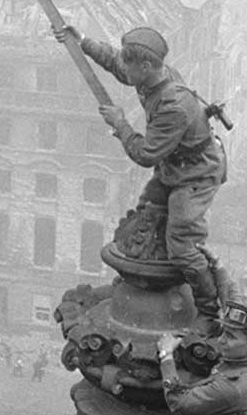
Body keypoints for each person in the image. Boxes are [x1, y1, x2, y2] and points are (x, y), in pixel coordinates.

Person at [53, 22, 226, 331]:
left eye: (131, 66)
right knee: (145, 214)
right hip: (176, 167)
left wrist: (121, 124)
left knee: (182, 244)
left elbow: (145, 155)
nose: (126, 73)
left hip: (196, 174)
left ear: (146, 66)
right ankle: (139, 275)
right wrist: (82, 40)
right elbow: (117, 65)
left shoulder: (173, 105)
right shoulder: (152, 76)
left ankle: (209, 308)